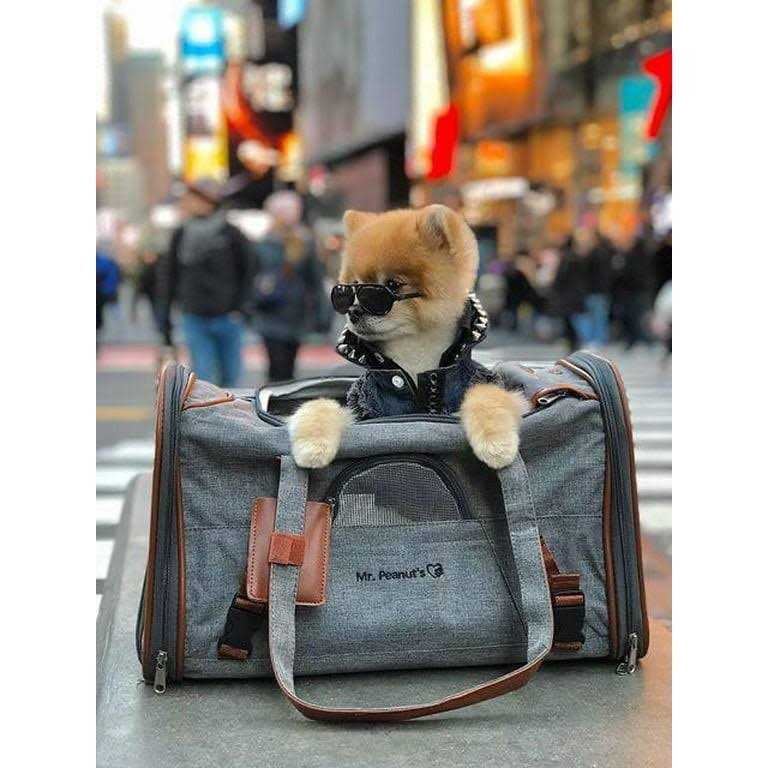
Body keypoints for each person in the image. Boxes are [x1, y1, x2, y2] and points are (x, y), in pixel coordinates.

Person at [157, 180, 251, 387]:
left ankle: (228, 410)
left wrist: (241, 308)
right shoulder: (181, 234)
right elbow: (169, 276)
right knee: (202, 376)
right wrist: (165, 317)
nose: (186, 203)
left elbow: (249, 271)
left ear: (207, 201)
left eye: (191, 198)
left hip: (228, 315)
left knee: (231, 377)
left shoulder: (231, 234)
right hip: (194, 315)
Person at [250, 190, 328, 382]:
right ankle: (274, 397)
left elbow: (315, 281)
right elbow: (251, 277)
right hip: (270, 311)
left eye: (294, 210)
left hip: (296, 313)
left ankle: (283, 396)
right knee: (276, 366)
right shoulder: (262, 243)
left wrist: (321, 314)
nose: (291, 215)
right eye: (285, 211)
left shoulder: (306, 242)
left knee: (289, 366)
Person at [612, 227, 654, 350]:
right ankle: (633, 340)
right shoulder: (623, 254)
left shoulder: (638, 254)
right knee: (630, 317)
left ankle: (643, 340)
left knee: (639, 317)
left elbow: (637, 273)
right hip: (628, 291)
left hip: (638, 290)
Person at [549, 234, 590, 352]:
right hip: (575, 293)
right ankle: (574, 341)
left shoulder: (567, 258)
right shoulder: (577, 257)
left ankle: (574, 341)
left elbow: (561, 277)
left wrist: (554, 288)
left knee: (568, 319)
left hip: (567, 295)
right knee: (572, 319)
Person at [583, 231, 615, 347]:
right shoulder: (607, 254)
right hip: (603, 290)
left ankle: (597, 339)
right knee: (601, 317)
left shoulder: (594, 254)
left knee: (596, 317)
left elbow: (588, 273)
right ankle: (600, 339)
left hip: (594, 290)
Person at [96, 248, 121, 346]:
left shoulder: (102, 263)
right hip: (109, 291)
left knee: (108, 312)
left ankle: (115, 331)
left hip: (103, 292)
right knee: (113, 312)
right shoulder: (110, 264)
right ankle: (117, 331)